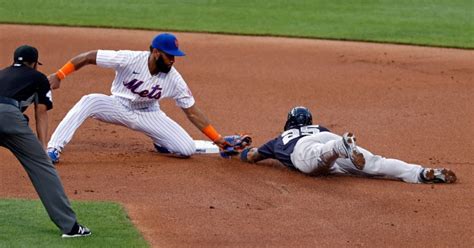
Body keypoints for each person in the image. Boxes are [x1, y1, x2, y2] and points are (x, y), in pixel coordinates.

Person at [46, 33, 231, 163]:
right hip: (117, 106)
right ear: (156, 52)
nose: (173, 60)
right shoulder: (129, 59)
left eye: (174, 56)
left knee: (186, 150)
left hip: (149, 114)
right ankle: (54, 148)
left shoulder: (175, 79)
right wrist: (59, 75)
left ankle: (161, 142)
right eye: (169, 56)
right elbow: (88, 57)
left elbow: (192, 112)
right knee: (89, 101)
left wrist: (218, 139)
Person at [0, 45, 91, 237]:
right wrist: (43, 148)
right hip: (8, 117)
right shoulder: (39, 77)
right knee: (42, 168)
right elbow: (40, 112)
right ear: (34, 63)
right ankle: (71, 227)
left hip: (9, 116)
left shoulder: (2, 73)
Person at [239, 106, 457, 184]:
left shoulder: (280, 138)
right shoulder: (318, 127)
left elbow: (253, 156)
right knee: (375, 163)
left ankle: (340, 148)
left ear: (288, 122)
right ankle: (419, 173)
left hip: (307, 148)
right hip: (329, 137)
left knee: (312, 160)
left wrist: (241, 150)